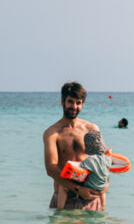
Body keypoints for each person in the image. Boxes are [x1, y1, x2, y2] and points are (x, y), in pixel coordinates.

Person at [44, 81, 106, 210]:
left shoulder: (91, 129)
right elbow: (51, 168)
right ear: (62, 102)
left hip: (90, 198)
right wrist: (77, 189)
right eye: (70, 101)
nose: (74, 106)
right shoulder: (52, 133)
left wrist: (105, 186)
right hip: (64, 200)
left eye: (79, 103)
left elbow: (101, 162)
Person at [56, 128, 111, 210]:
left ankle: (59, 209)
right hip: (101, 187)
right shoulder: (108, 159)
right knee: (102, 191)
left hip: (90, 186)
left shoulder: (89, 160)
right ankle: (103, 207)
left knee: (62, 187)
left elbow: (79, 168)